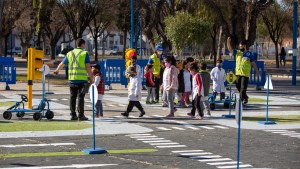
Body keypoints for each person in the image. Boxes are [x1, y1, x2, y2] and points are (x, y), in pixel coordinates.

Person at [54, 38, 93, 121]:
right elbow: (88, 67)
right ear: (82, 44)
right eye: (84, 44)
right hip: (82, 80)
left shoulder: (69, 53)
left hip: (72, 79)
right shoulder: (84, 53)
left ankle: (73, 115)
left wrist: (57, 70)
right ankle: (81, 115)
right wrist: (91, 78)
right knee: (81, 97)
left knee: (72, 97)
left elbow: (62, 63)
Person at [227, 37, 260, 104]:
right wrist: (228, 42)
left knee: (243, 88)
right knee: (238, 86)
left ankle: (241, 100)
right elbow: (230, 49)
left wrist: (257, 71)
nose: (240, 47)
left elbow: (253, 63)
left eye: (241, 46)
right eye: (239, 46)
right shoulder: (238, 52)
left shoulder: (249, 54)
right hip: (238, 73)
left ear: (244, 46)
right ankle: (245, 97)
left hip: (245, 74)